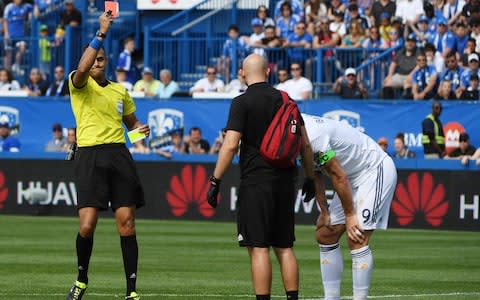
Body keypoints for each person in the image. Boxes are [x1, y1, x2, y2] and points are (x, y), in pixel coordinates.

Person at [206, 53, 316, 300]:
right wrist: (310, 177)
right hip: (287, 180)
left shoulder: (241, 102)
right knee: (285, 247)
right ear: (268, 72)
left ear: (243, 74)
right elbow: (305, 146)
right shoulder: (287, 100)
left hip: (256, 182)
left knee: (258, 248)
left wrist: (215, 180)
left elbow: (231, 145)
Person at [65, 12, 149, 300]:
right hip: (89, 156)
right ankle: (81, 279)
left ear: (108, 62)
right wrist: (100, 34)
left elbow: (131, 126)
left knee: (126, 223)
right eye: (93, 59)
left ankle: (131, 291)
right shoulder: (78, 84)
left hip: (118, 156)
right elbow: (82, 68)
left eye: (101, 59)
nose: (97, 63)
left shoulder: (120, 91)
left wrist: (140, 130)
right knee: (87, 225)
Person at [301, 113, 397, 300]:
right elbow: (316, 173)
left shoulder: (314, 137)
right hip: (351, 176)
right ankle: (331, 297)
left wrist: (350, 215)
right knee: (325, 233)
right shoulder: (293, 131)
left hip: (374, 169)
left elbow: (338, 176)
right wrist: (324, 211)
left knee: (356, 235)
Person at [3, 0, 33, 74]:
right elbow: (5, 20)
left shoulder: (26, 6)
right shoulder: (9, 7)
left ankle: (16, 65)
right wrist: (6, 32)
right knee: (8, 53)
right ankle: (6, 71)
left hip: (20, 35)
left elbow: (33, 10)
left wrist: (30, 16)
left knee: (22, 47)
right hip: (10, 35)